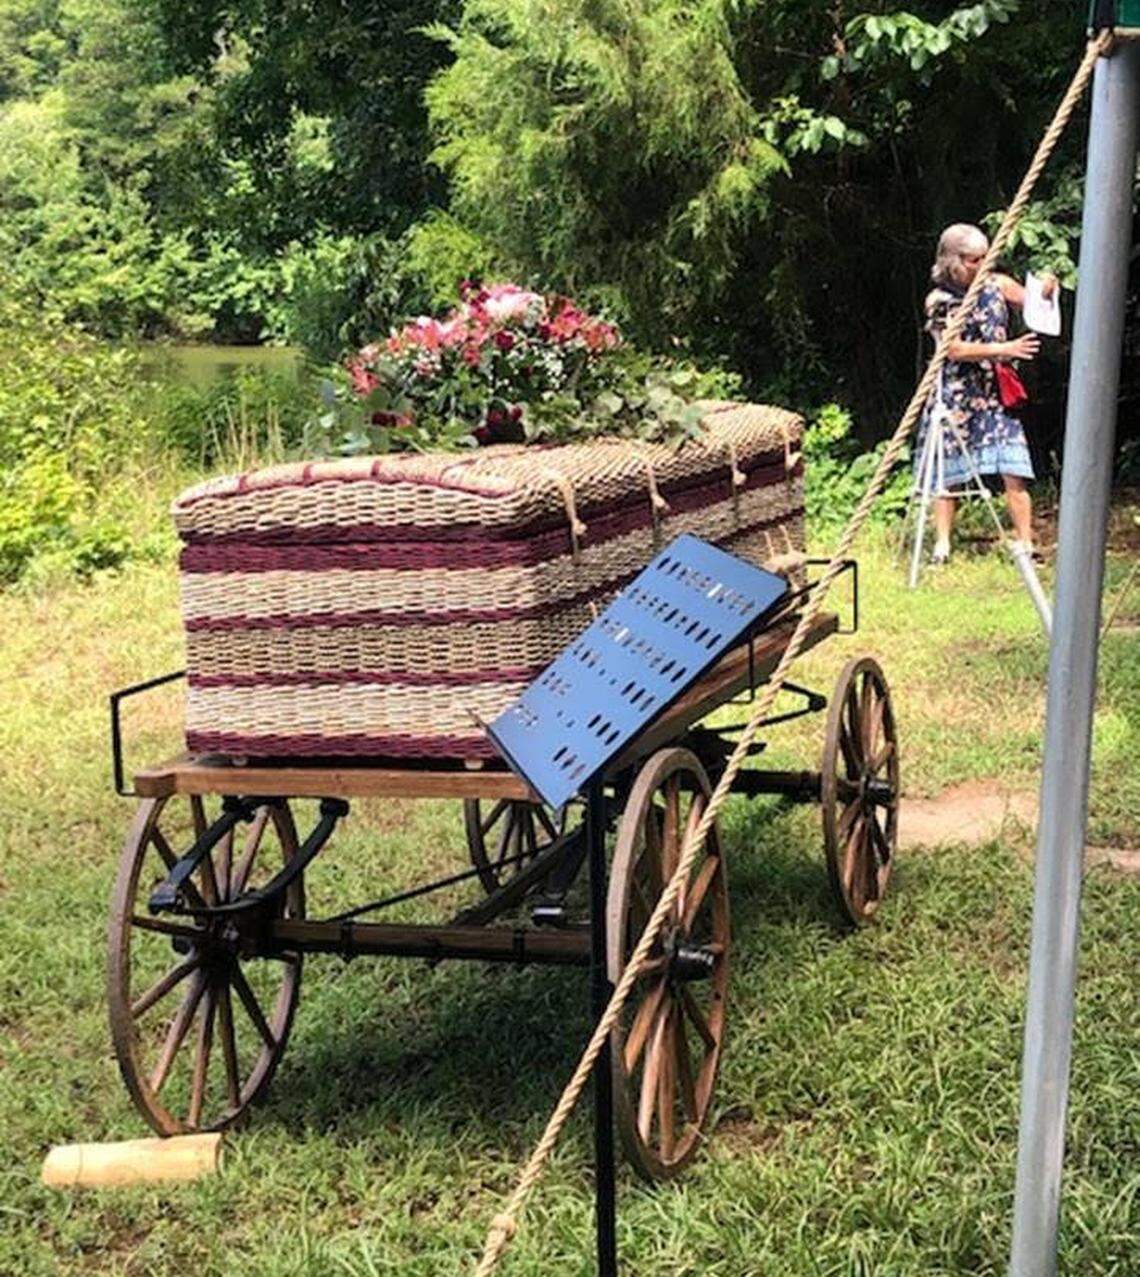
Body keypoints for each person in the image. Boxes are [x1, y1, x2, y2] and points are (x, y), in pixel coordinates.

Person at [916, 222, 1056, 564]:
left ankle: (1026, 543)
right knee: (947, 471)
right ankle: (943, 546)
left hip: (995, 391)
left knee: (1014, 465)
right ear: (952, 260)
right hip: (956, 394)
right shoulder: (939, 300)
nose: (981, 265)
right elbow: (954, 350)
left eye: (984, 258)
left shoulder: (996, 283)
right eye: (973, 260)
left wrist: (1047, 288)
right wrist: (1004, 348)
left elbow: (1034, 304)